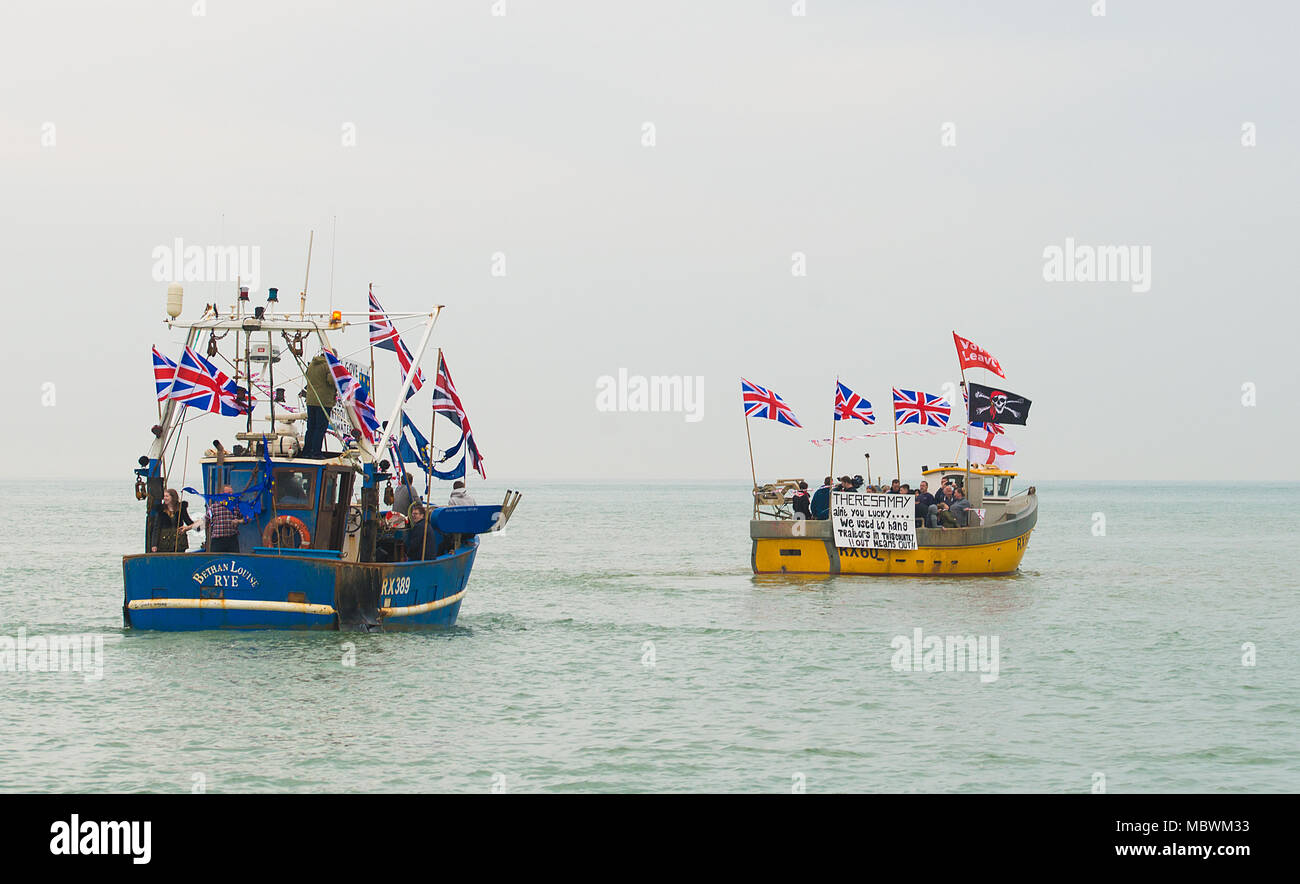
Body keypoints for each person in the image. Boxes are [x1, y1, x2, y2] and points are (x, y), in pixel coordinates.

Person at [302, 351, 337, 458]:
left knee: (311, 427)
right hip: (323, 401)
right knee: (320, 428)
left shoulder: (312, 364)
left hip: (311, 400)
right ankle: (316, 452)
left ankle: (307, 451)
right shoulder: (328, 366)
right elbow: (332, 380)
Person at [151, 488, 196, 552]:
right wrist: (154, 544)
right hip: (165, 542)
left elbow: (189, 522)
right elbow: (156, 528)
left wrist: (191, 527)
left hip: (179, 541)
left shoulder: (181, 508)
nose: (165, 498)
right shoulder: (161, 510)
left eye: (167, 496)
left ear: (173, 497)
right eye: (164, 496)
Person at [206, 484, 244, 553]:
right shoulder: (213, 507)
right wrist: (188, 528)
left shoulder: (236, 506)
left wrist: (239, 521)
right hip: (217, 542)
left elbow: (247, 519)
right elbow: (205, 521)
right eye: (229, 493)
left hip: (232, 540)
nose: (231, 495)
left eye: (231, 493)